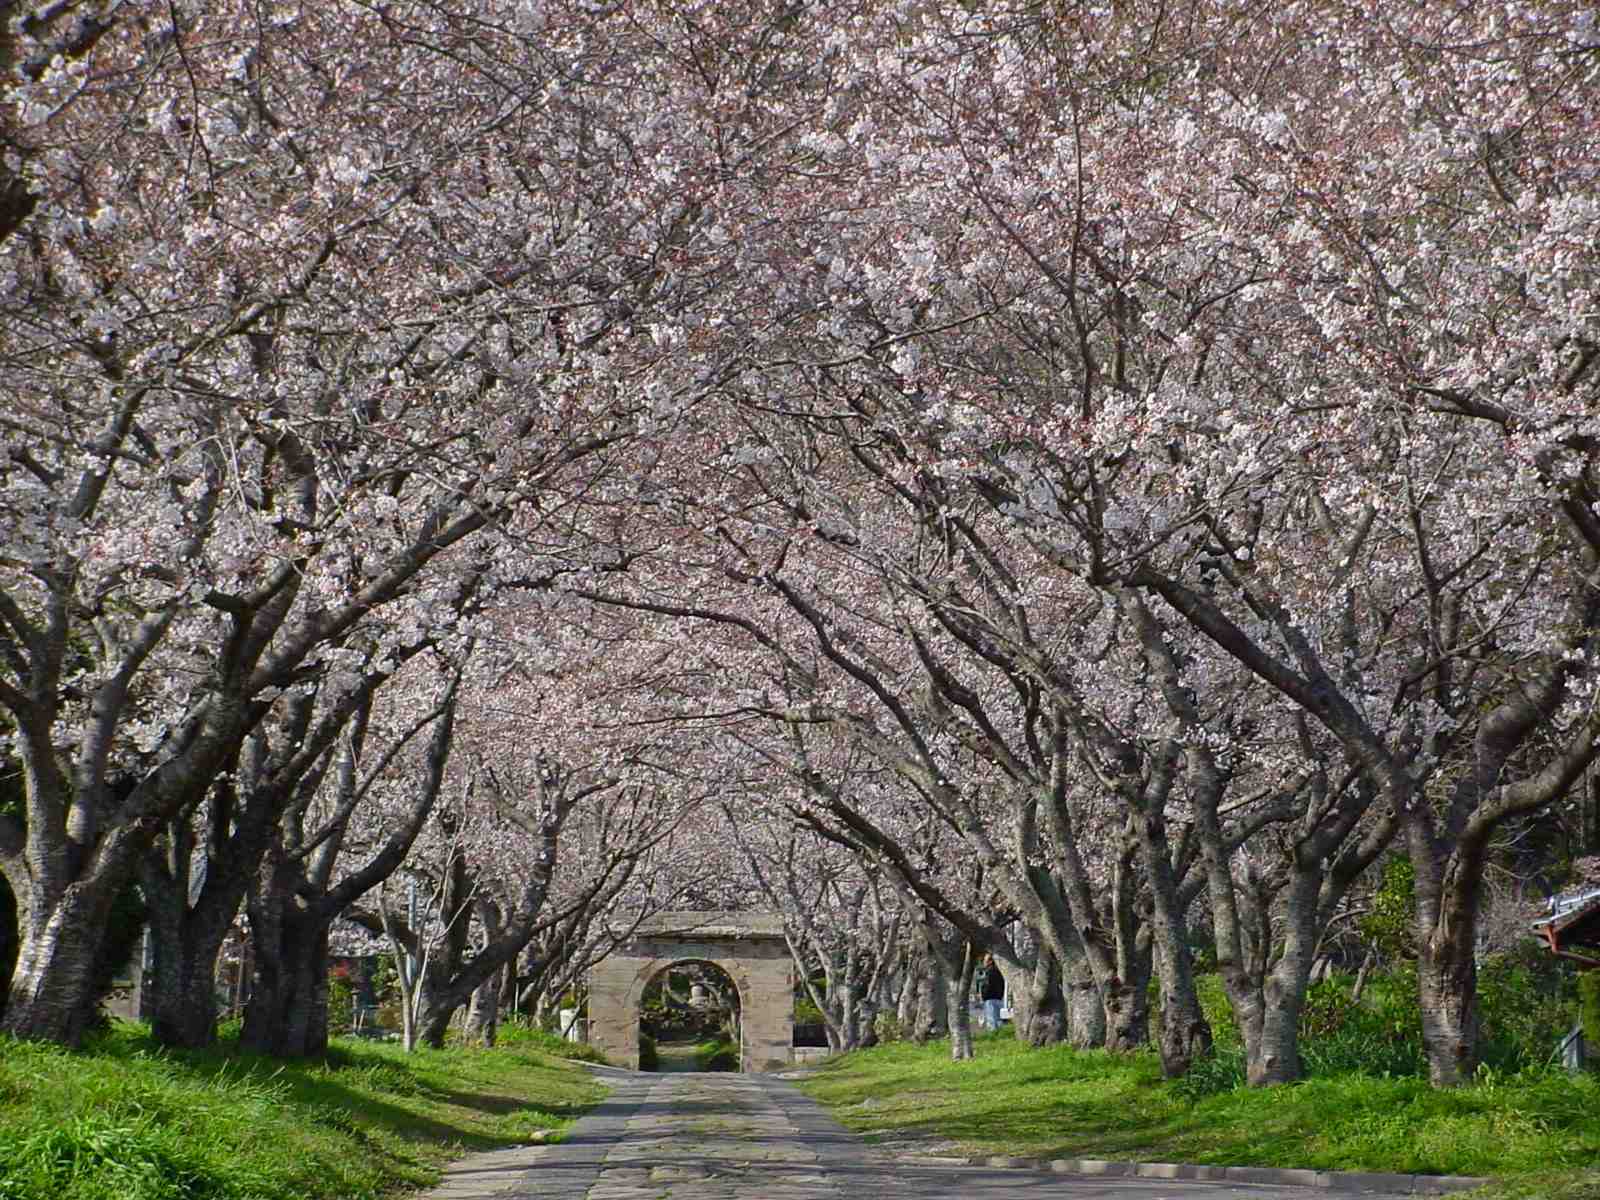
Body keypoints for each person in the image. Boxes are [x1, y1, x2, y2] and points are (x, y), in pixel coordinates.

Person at [978, 954, 1005, 1031]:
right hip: (999, 998)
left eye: (985, 960)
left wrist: (983, 996)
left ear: (990, 961)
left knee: (992, 1021)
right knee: (999, 1021)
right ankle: (1000, 1036)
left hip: (990, 999)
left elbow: (986, 985)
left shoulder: (988, 972)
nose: (983, 962)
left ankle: (993, 1037)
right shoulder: (999, 972)